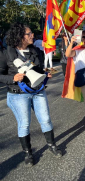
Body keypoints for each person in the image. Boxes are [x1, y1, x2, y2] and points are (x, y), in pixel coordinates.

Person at [0, 23, 62, 166]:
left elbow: (39, 70)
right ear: (20, 37)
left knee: (46, 119)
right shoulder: (5, 54)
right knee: (24, 124)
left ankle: (52, 145)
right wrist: (12, 78)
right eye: (29, 34)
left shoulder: (35, 51)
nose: (32, 35)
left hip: (38, 91)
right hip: (18, 95)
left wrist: (46, 74)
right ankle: (28, 153)